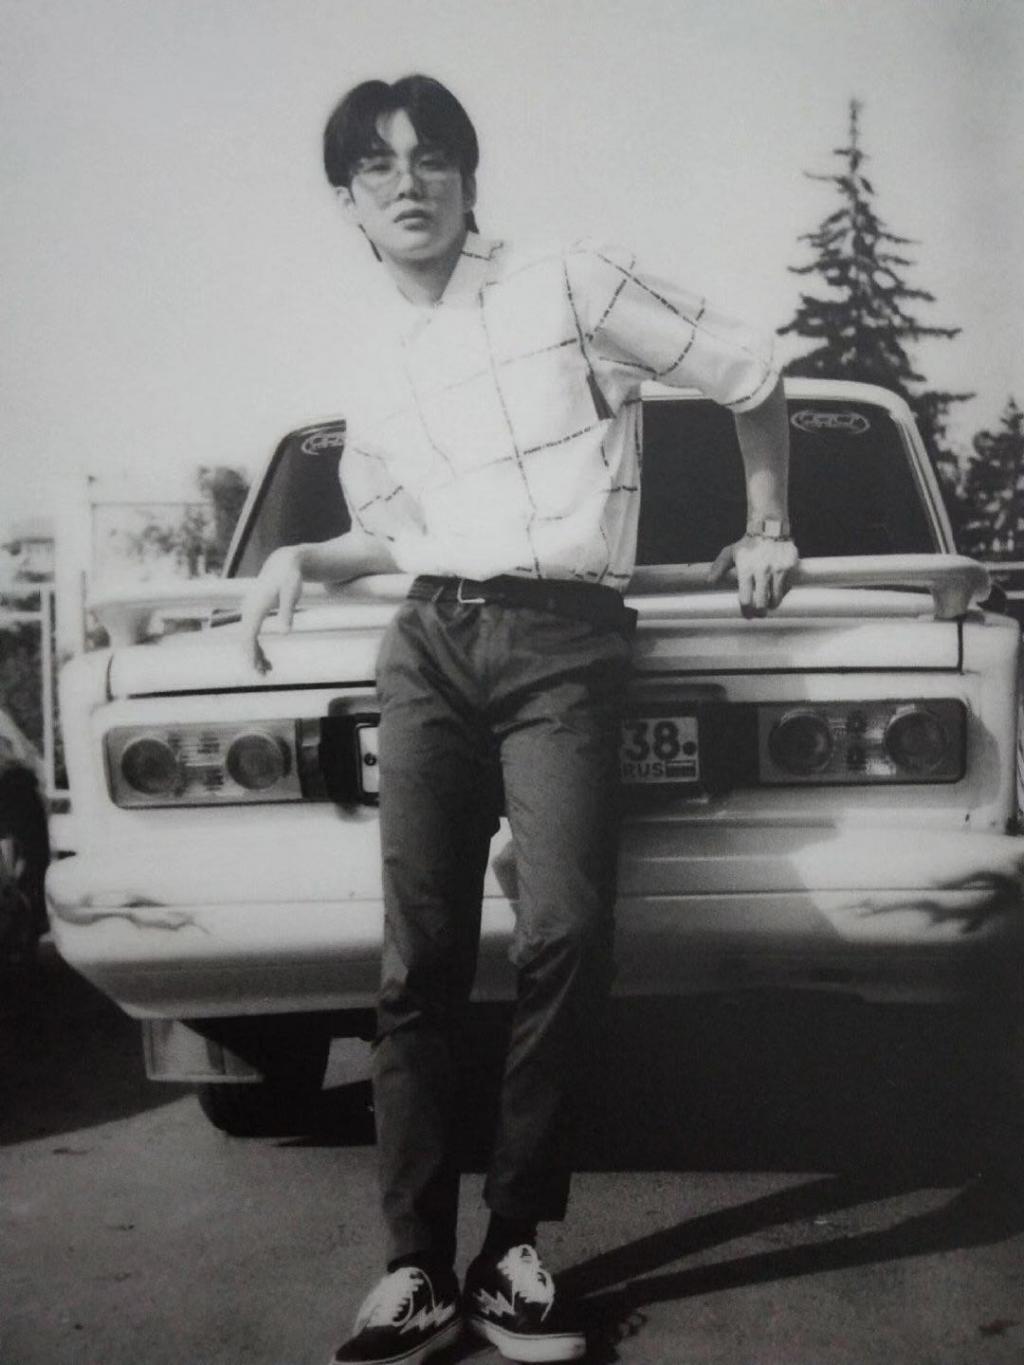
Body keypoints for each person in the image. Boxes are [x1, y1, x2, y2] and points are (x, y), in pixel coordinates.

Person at [241, 74, 798, 1365]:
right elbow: (397, 529)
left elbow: (753, 367)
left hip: (564, 638)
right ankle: (412, 1269)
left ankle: (515, 1248)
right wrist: (304, 556)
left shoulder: (566, 279)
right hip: (428, 644)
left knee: (566, 932)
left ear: (468, 176)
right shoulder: (372, 353)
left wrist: (768, 521)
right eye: (378, 167)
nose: (409, 183)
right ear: (347, 203)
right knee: (417, 960)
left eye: (431, 157)